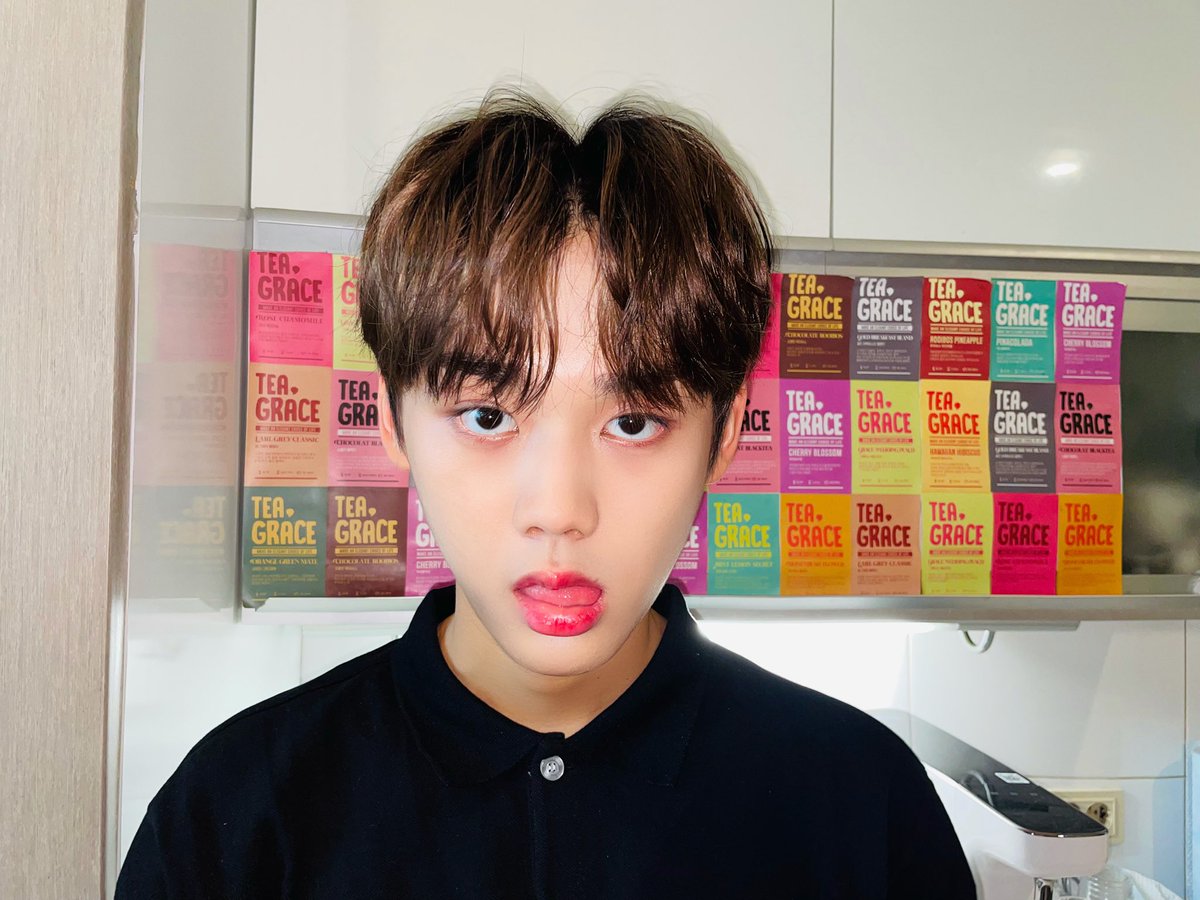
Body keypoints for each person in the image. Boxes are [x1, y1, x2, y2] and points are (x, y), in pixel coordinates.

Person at [116, 89, 975, 898]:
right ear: (391, 420)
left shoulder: (863, 808)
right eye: (488, 416)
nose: (559, 510)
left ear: (722, 434)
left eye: (633, 423)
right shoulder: (234, 820)